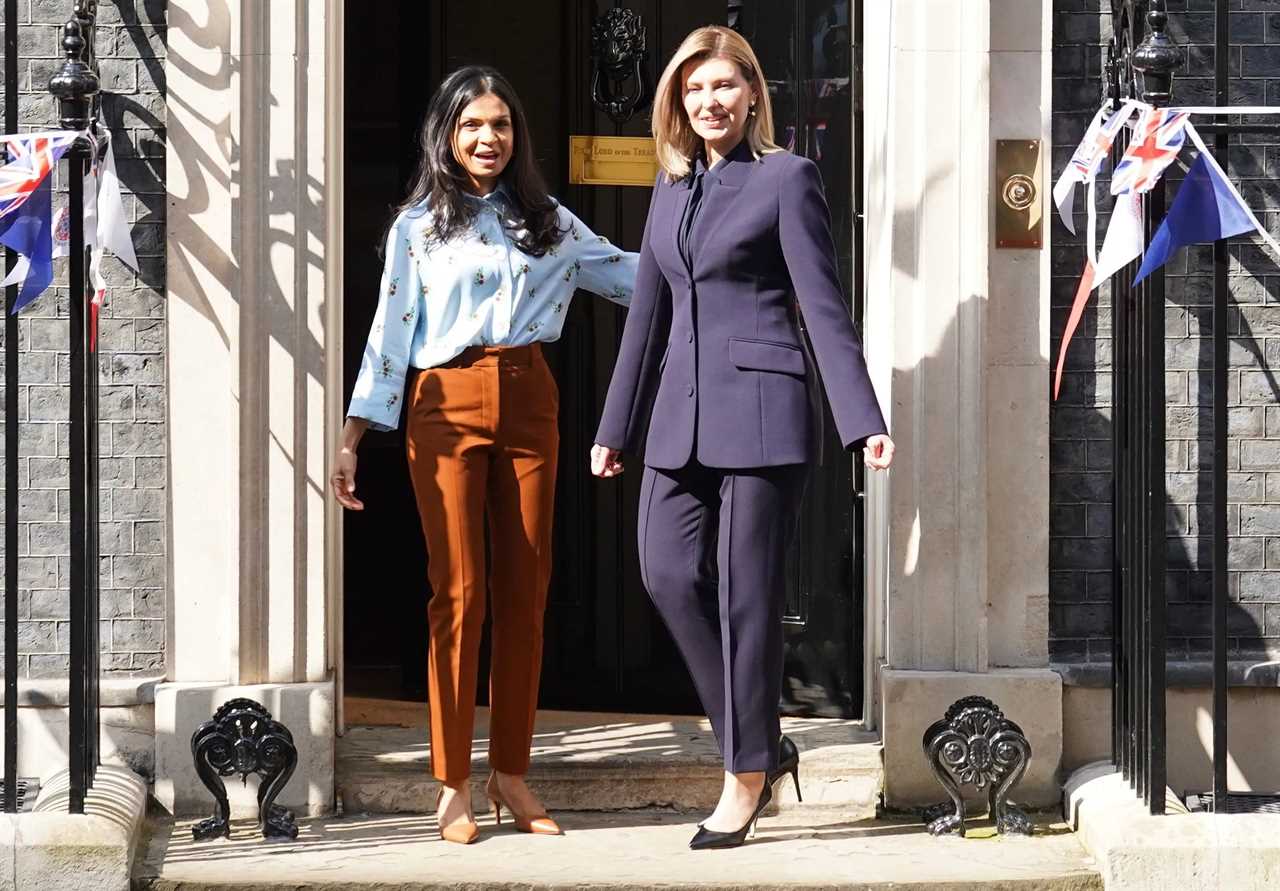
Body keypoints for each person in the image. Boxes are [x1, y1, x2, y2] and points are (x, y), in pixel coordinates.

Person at [589, 25, 894, 850]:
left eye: (722, 86)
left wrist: (861, 417)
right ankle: (760, 739)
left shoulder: (787, 179)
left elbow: (823, 308)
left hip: (764, 412)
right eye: (693, 90)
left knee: (746, 594)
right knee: (665, 571)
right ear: (677, 105)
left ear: (753, 92)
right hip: (674, 423)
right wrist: (614, 425)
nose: (708, 102)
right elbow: (645, 322)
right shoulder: (669, 187)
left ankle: (745, 774)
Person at [334, 65, 637, 845]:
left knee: (526, 591)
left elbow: (633, 278)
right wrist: (355, 433)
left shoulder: (549, 221)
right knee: (459, 593)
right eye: (472, 125)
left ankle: (511, 772)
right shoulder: (418, 227)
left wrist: (715, 256)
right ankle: (452, 783)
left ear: (516, 135)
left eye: (500, 125)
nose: (488, 139)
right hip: (445, 403)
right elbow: (390, 331)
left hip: (531, 397)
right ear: (447, 133)